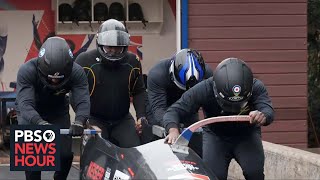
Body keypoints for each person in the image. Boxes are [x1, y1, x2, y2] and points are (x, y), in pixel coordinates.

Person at [163, 57, 274, 180]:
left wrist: (263, 116)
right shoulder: (204, 89)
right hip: (216, 137)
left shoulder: (256, 87)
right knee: (214, 176)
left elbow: (267, 109)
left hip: (246, 135)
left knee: (254, 173)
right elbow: (174, 110)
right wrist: (172, 129)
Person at [16, 37, 90, 180]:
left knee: (65, 155)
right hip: (31, 111)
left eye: (59, 78)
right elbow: (25, 104)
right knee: (34, 160)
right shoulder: (27, 70)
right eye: (51, 77)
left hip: (58, 110)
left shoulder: (77, 72)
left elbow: (83, 100)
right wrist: (40, 123)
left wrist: (80, 121)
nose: (55, 80)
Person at [75, 19, 147, 148]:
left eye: (118, 48)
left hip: (122, 120)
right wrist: (85, 122)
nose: (113, 51)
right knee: (95, 155)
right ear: (100, 43)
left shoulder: (133, 61)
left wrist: (141, 116)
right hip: (94, 119)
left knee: (135, 152)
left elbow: (139, 91)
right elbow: (75, 94)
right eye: (109, 48)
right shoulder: (84, 61)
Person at [146, 48, 213, 153]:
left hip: (188, 107)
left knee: (194, 143)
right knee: (161, 141)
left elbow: (209, 103)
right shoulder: (157, 74)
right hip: (161, 107)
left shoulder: (207, 75)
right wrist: (172, 127)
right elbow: (158, 108)